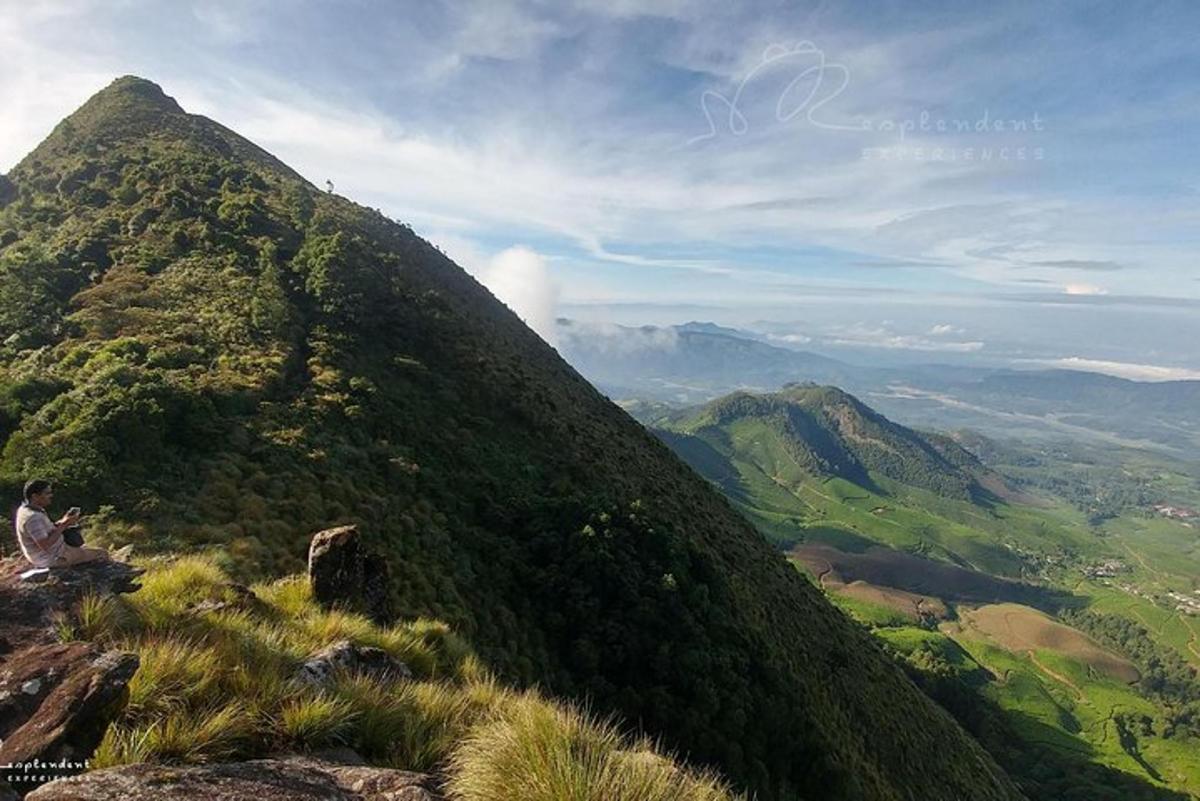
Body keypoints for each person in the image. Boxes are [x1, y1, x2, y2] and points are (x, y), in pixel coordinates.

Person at [15, 479, 109, 568]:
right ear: (35, 496)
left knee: (87, 549)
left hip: (47, 554)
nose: (51, 495)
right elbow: (45, 545)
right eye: (47, 493)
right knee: (102, 553)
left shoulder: (26, 509)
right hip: (52, 557)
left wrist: (62, 521)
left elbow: (45, 532)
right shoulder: (33, 517)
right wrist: (64, 525)